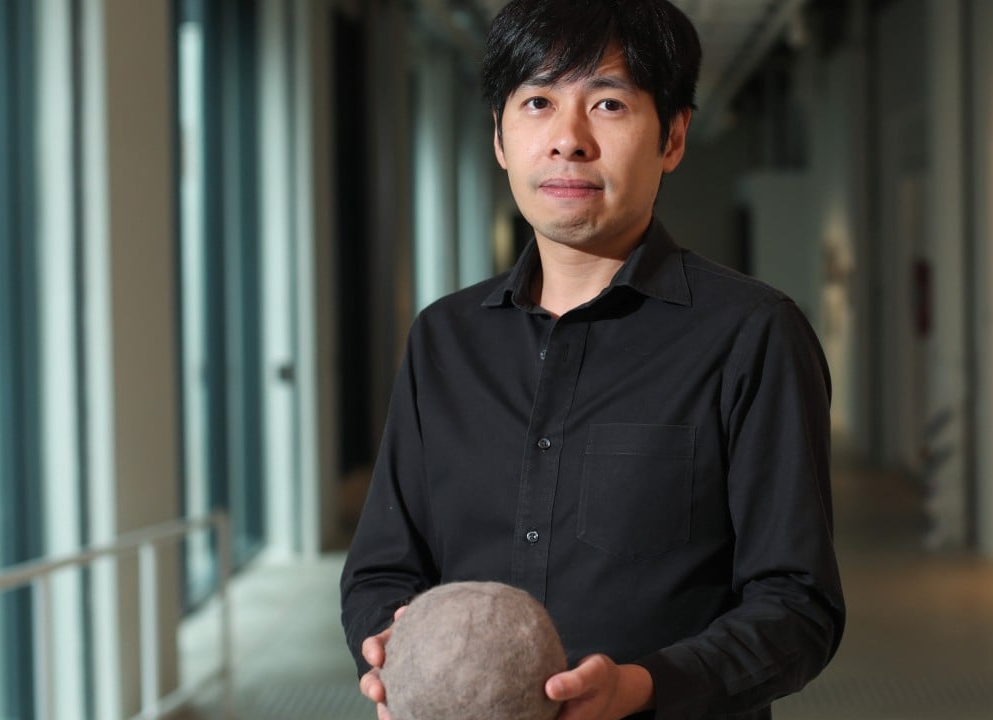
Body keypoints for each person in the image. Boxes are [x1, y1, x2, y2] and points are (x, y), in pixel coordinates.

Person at [339, 1, 845, 718]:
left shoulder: (752, 335)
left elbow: (797, 606)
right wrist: (392, 655)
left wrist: (642, 687)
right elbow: (381, 569)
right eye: (538, 102)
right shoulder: (445, 338)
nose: (568, 141)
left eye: (608, 103)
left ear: (673, 137)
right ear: (499, 136)